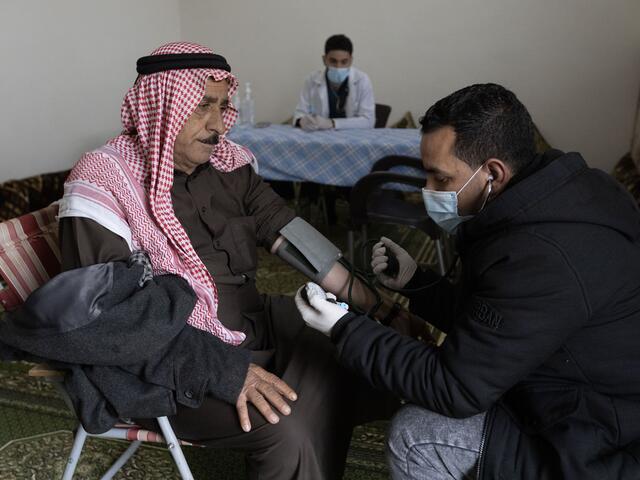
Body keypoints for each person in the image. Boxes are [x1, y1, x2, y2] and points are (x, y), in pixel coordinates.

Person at [58, 41, 395, 480]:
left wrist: (379, 308)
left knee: (356, 342)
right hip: (169, 363)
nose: (219, 125)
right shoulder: (104, 180)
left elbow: (296, 240)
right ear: (162, 106)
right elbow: (115, 318)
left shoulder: (230, 165)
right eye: (202, 107)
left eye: (222, 106)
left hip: (252, 327)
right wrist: (226, 370)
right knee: (287, 427)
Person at [295, 83, 640, 479]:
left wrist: (345, 328)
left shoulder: (542, 254)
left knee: (417, 433)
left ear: (492, 172)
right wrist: (416, 282)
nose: (427, 191)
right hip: (578, 393)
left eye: (440, 179)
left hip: (601, 438)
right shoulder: (553, 201)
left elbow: (455, 387)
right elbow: (499, 321)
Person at [293, 34, 375, 130]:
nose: (338, 67)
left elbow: (368, 121)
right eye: (333, 61)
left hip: (353, 138)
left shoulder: (362, 80)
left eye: (344, 62)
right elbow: (299, 114)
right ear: (324, 60)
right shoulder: (312, 80)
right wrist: (302, 121)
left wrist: (333, 123)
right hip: (320, 137)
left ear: (351, 60)